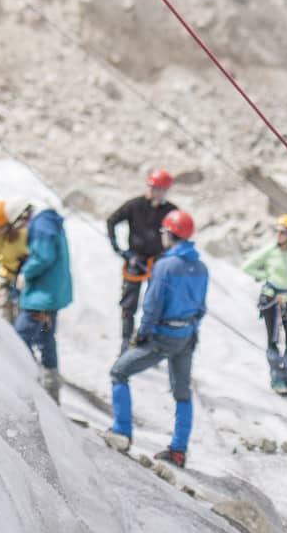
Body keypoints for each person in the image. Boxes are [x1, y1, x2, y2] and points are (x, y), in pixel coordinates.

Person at [103, 208, 208, 468]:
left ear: (171, 234)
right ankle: (178, 450)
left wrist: (142, 333)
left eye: (164, 232)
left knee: (119, 372)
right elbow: (201, 307)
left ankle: (122, 431)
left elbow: (152, 304)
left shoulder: (164, 265)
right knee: (182, 392)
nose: (161, 236)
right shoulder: (201, 267)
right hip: (187, 336)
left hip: (163, 335)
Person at [106, 168, 175, 349]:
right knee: (129, 304)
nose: (153, 191)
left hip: (158, 263)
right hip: (135, 260)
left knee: (156, 303)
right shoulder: (135, 205)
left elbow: (178, 235)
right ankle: (125, 341)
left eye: (158, 188)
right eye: (152, 187)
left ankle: (149, 341)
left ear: (165, 190)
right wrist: (119, 249)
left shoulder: (171, 211)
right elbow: (111, 220)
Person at [242, 214, 287, 396]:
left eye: (282, 232)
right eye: (277, 231)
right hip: (271, 299)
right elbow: (247, 266)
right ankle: (277, 378)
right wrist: (267, 276)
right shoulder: (270, 250)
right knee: (272, 339)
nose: (278, 235)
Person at [13, 204, 73, 399]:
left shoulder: (40, 226)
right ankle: (51, 391)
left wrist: (25, 272)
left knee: (18, 338)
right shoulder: (50, 222)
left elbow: (43, 257)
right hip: (53, 293)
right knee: (47, 339)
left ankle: (27, 384)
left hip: (41, 295)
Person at [0, 199, 31, 321]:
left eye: (0, 227)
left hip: (25, 279)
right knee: (2, 309)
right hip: (5, 279)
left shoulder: (24, 233)